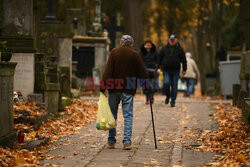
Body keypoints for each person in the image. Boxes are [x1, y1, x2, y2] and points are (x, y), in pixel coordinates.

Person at [101, 35, 149, 150]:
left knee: (112, 115)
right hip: (128, 88)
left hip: (114, 89)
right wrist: (147, 88)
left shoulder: (114, 52)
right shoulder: (135, 55)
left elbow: (108, 71)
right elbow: (142, 72)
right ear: (131, 44)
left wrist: (103, 87)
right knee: (128, 116)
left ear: (121, 43)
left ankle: (111, 141)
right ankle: (127, 141)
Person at [158, 34, 187, 107]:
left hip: (176, 70)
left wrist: (184, 69)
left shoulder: (180, 49)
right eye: (171, 40)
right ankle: (168, 96)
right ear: (169, 40)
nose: (172, 41)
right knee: (166, 83)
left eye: (173, 40)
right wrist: (158, 67)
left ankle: (173, 101)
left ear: (176, 40)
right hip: (166, 69)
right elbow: (159, 58)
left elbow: (183, 60)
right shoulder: (164, 48)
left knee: (174, 85)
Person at [140, 40, 158, 104]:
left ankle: (151, 96)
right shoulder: (141, 52)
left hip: (153, 70)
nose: (148, 46)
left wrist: (157, 67)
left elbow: (157, 60)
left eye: (149, 45)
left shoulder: (154, 51)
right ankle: (147, 98)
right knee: (145, 85)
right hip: (144, 70)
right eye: (147, 45)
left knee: (152, 84)